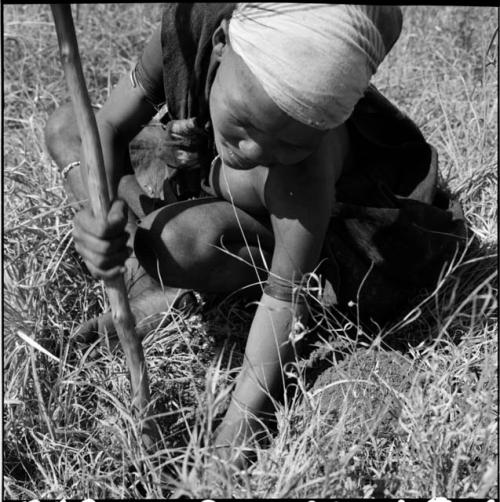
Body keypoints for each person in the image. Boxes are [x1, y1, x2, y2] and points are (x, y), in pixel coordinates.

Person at [45, 3, 466, 468]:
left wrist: (231, 441)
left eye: (290, 141)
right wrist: (103, 217)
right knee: (68, 128)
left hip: (305, 235)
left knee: (177, 242)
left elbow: (286, 299)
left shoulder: (304, 169)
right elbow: (103, 125)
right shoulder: (193, 29)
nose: (257, 150)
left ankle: (170, 276)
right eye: (245, 122)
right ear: (222, 44)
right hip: (199, 169)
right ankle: (142, 278)